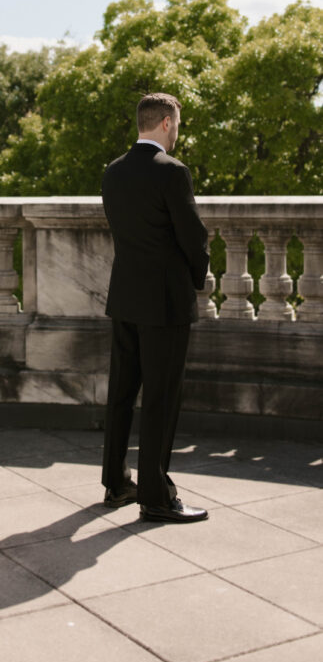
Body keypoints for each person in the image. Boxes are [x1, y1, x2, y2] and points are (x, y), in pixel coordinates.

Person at [100, 94, 209, 524]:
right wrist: (197, 277)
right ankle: (157, 497)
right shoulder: (172, 172)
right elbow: (192, 236)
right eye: (177, 124)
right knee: (161, 398)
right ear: (166, 123)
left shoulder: (113, 171)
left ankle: (115, 483)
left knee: (121, 395)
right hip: (164, 303)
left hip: (124, 296)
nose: (177, 132)